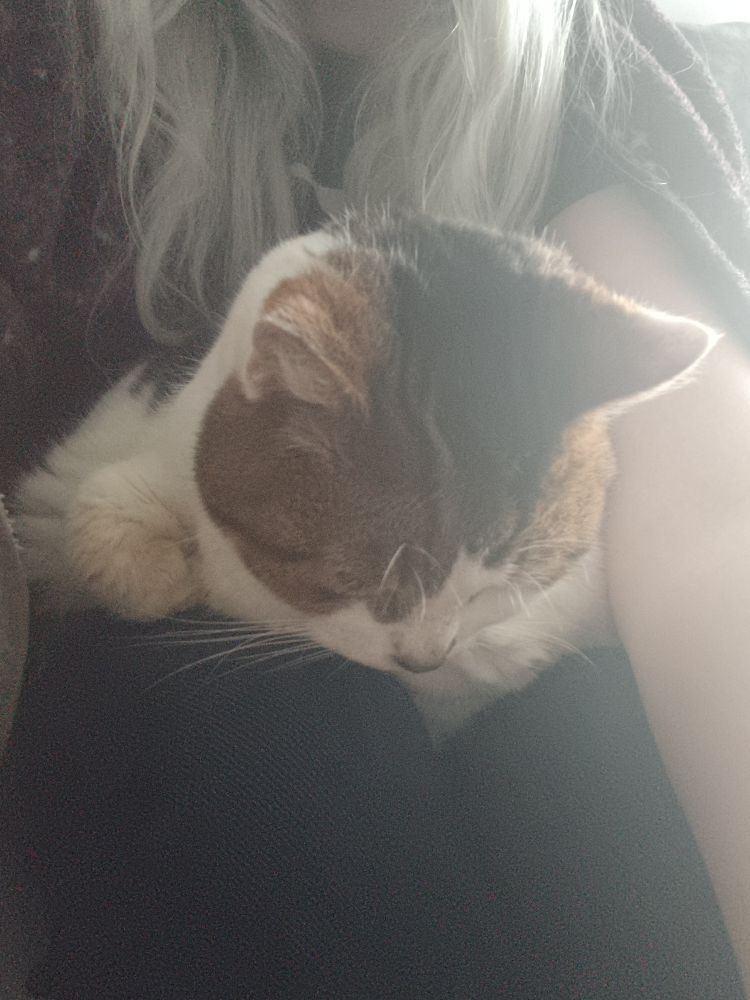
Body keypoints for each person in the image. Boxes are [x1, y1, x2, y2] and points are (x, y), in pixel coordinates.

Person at [2, 0, 750, 996]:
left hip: (449, 637)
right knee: (300, 752)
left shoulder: (589, 55)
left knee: (597, 749)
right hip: (156, 615)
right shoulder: (55, 42)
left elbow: (714, 510)